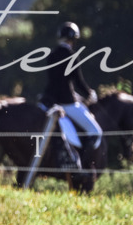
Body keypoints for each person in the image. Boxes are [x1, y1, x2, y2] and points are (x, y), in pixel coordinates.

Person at [41, 22, 103, 152]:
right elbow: (78, 82)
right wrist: (90, 94)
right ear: (73, 39)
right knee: (95, 131)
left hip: (49, 100)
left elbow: (56, 82)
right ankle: (84, 159)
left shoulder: (52, 55)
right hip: (66, 103)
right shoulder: (71, 55)